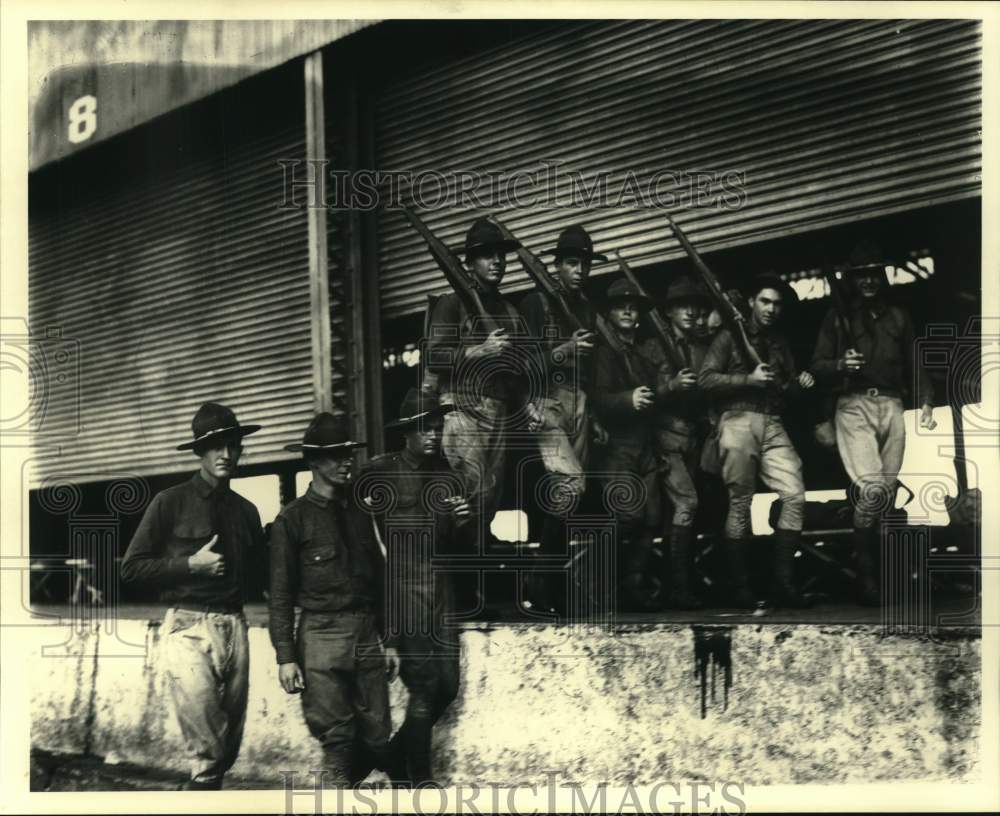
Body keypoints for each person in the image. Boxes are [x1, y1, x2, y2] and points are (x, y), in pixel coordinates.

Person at [121, 402, 264, 790]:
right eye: (215, 446)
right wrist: (190, 566)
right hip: (187, 628)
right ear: (200, 452)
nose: (226, 454)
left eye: (232, 444)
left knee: (226, 750)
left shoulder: (247, 512)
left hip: (235, 626)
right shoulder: (169, 502)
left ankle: (198, 793)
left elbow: (265, 574)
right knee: (208, 751)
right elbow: (131, 568)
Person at [267, 413, 392, 786]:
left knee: (377, 737)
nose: (345, 462)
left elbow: (380, 577)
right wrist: (286, 658)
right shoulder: (292, 519)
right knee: (338, 739)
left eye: (348, 454)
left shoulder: (361, 511)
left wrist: (392, 640)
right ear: (313, 462)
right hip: (320, 636)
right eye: (335, 455)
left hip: (366, 631)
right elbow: (280, 595)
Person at [811, 239, 936, 604]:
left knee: (887, 493)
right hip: (853, 406)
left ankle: (887, 579)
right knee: (873, 492)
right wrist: (839, 366)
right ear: (852, 280)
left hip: (892, 405)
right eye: (861, 275)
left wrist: (926, 400)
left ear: (882, 276)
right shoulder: (837, 317)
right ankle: (868, 583)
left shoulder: (898, 316)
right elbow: (816, 367)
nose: (868, 282)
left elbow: (914, 360)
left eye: (873, 274)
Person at [356, 388, 469, 784]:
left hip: (442, 589)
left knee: (449, 686)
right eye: (425, 429)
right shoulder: (378, 471)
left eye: (438, 429)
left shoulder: (448, 475)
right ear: (406, 432)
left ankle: (392, 755)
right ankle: (418, 778)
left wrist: (460, 521)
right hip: (403, 588)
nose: (433, 436)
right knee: (423, 686)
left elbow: (458, 545)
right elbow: (353, 523)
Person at [698, 275, 815, 609]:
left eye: (777, 304)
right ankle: (740, 588)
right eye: (765, 301)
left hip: (773, 422)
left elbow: (786, 390)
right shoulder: (727, 337)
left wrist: (801, 383)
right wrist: (747, 379)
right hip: (737, 419)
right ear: (751, 302)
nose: (771, 309)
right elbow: (705, 379)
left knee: (794, 495)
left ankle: (783, 584)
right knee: (740, 502)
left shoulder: (779, 342)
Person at [423, 218, 527, 562]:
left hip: (498, 408)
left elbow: (519, 368)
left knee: (490, 498)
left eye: (500, 254)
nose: (497, 261)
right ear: (469, 263)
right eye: (486, 255)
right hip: (462, 407)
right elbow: (434, 356)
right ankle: (459, 582)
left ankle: (475, 579)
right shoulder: (452, 304)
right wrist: (477, 351)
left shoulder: (509, 311)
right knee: (471, 491)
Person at [518, 225, 602, 610]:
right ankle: (541, 586)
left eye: (584, 264)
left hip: (579, 402)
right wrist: (564, 350)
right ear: (556, 265)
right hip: (546, 398)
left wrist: (594, 412)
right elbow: (521, 364)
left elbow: (595, 367)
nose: (579, 270)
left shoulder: (585, 305)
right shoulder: (536, 303)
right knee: (570, 484)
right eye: (572, 263)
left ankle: (552, 586)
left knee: (569, 497)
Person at [590, 278, 662, 612]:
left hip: (645, 444)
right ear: (609, 312)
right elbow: (599, 399)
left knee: (650, 518)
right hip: (617, 445)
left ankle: (632, 587)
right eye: (621, 306)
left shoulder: (646, 355)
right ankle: (600, 588)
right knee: (627, 515)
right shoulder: (604, 353)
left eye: (634, 307)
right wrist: (627, 399)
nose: (629, 311)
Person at [642, 277, 714, 609]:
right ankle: (678, 588)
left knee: (685, 513)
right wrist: (671, 385)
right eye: (681, 306)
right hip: (665, 436)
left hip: (694, 438)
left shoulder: (704, 348)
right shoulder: (652, 347)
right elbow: (642, 394)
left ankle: (677, 586)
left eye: (694, 306)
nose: (689, 312)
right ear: (669, 312)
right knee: (687, 504)